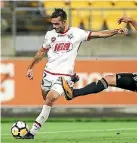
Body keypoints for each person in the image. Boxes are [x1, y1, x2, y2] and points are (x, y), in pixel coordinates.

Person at [23, 8, 128, 139]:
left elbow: (99, 34)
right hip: (48, 73)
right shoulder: (50, 35)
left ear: (64, 22)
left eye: (56, 24)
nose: (54, 26)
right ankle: (72, 81)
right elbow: (41, 52)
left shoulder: (76, 33)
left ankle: (32, 132)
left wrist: (116, 31)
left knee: (51, 98)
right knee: (45, 97)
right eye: (53, 24)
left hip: (63, 76)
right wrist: (30, 67)